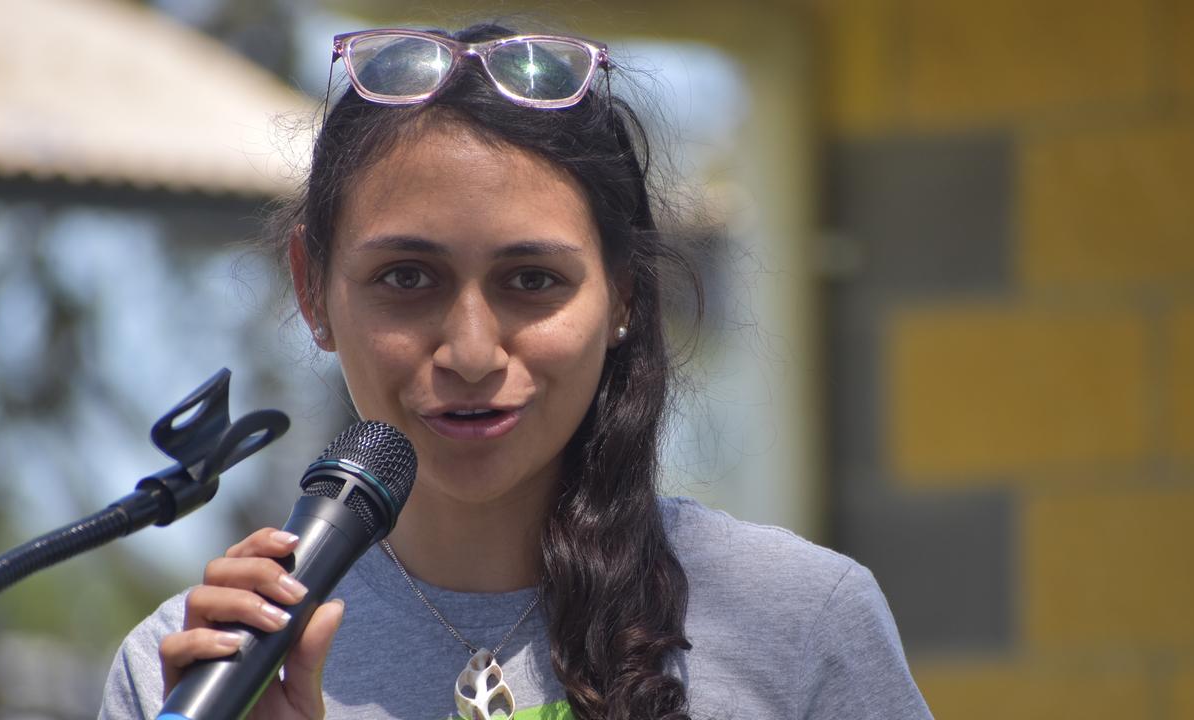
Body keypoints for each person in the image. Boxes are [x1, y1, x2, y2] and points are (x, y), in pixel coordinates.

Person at [99, 23, 932, 720]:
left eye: (532, 281)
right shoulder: (193, 673)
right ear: (312, 287)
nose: (469, 352)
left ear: (624, 298)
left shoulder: (799, 626)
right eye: (407, 278)